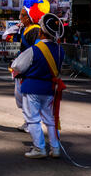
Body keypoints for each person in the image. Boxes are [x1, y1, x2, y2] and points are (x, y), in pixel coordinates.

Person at [11, 13, 65, 159]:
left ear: (41, 32)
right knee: (50, 120)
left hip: (32, 87)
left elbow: (17, 66)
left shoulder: (35, 49)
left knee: (33, 119)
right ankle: (56, 148)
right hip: (49, 89)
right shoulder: (61, 50)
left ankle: (39, 148)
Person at [3, 0, 50, 133]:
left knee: (28, 97)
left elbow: (37, 50)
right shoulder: (24, 29)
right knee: (20, 97)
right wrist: (16, 27)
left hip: (29, 69)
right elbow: (5, 36)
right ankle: (28, 121)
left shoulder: (35, 30)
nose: (20, 17)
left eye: (22, 15)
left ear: (29, 17)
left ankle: (33, 123)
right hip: (21, 68)